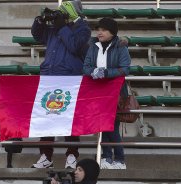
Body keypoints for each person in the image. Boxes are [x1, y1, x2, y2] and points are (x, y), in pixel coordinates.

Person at [31, 0, 91, 169]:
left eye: (64, 11)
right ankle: (45, 156)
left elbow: (74, 46)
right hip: (49, 76)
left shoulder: (83, 28)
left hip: (69, 78)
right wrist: (40, 20)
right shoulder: (54, 27)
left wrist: (62, 27)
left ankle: (72, 156)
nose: (60, 13)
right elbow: (37, 35)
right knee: (46, 118)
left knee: (68, 119)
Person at [83, 17, 131, 169]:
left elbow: (125, 68)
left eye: (103, 30)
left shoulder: (121, 47)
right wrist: (94, 72)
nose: (99, 32)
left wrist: (106, 73)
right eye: (98, 29)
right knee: (101, 125)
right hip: (97, 92)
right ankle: (106, 157)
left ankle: (119, 159)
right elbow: (86, 67)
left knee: (112, 126)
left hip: (115, 92)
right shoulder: (93, 46)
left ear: (112, 32)